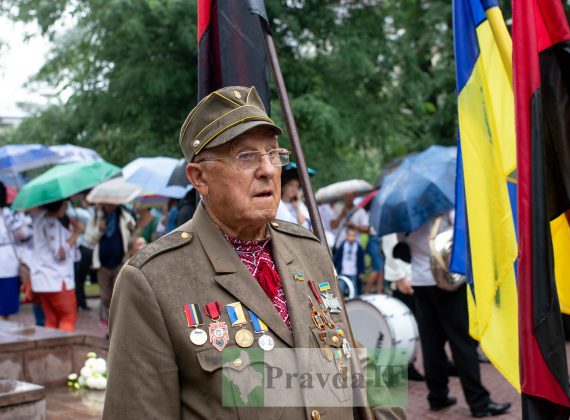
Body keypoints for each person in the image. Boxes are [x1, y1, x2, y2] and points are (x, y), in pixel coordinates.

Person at [104, 86, 403, 419]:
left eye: (274, 154)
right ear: (199, 178)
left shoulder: (309, 250)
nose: (267, 169)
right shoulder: (153, 279)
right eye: (246, 156)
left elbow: (356, 360)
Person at [401, 212, 510, 417]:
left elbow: (402, 243)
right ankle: (479, 403)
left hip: (420, 281)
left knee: (431, 344)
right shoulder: (443, 204)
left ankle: (437, 397)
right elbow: (461, 232)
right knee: (462, 343)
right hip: (446, 280)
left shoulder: (404, 213)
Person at [30, 199, 83, 331]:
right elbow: (60, 254)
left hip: (42, 280)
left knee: (51, 319)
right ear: (60, 205)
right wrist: (77, 233)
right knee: (68, 317)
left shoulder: (39, 220)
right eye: (66, 204)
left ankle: (50, 351)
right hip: (58, 279)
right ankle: (64, 351)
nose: (67, 208)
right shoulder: (53, 223)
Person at [381, 233, 424, 381]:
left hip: (414, 275)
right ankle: (404, 366)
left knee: (415, 326)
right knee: (406, 327)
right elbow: (389, 245)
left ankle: (407, 364)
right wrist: (400, 277)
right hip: (405, 279)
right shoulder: (391, 211)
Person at [84, 204, 135, 325]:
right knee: (106, 297)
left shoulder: (124, 215)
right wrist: (99, 230)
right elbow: (89, 240)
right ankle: (110, 323)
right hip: (102, 264)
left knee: (119, 295)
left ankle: (119, 324)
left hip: (120, 262)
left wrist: (130, 228)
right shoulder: (95, 218)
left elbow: (131, 235)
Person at [0, 182, 30, 320]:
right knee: (4, 308)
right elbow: (23, 234)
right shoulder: (8, 214)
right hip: (7, 264)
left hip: (6, 264)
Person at [68, 195, 96, 310]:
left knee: (80, 278)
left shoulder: (87, 212)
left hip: (84, 248)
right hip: (79, 247)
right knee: (78, 278)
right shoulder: (78, 212)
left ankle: (80, 301)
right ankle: (78, 301)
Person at [333, 227, 365, 295]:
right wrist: (333, 266)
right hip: (343, 270)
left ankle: (353, 300)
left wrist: (361, 271)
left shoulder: (358, 247)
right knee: (341, 288)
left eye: (353, 235)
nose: (351, 237)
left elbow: (361, 260)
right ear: (346, 236)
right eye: (350, 235)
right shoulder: (343, 245)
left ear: (355, 236)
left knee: (353, 288)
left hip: (353, 271)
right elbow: (337, 257)